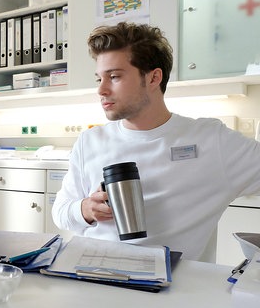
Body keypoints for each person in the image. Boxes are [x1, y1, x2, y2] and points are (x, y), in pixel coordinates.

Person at [52, 22, 260, 261]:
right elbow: (60, 212)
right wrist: (85, 209)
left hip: (173, 286)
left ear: (153, 78)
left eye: (114, 76)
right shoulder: (90, 141)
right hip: (97, 273)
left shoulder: (210, 140)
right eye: (99, 78)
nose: (101, 89)